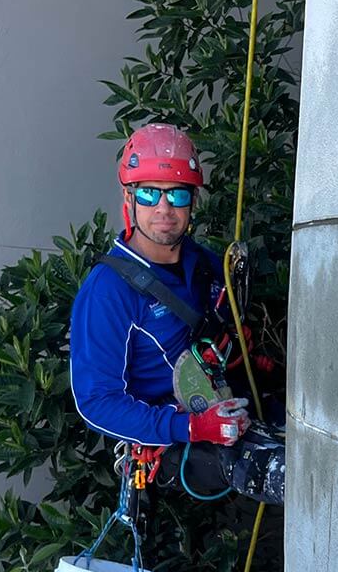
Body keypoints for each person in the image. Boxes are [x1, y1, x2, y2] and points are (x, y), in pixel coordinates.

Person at [69, 122, 282, 505]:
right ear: (129, 198)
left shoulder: (204, 264)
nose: (163, 209)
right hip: (174, 436)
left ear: (193, 201)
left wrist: (241, 348)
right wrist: (190, 427)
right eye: (150, 194)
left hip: (228, 398)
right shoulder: (107, 293)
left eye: (177, 195)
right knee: (283, 474)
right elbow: (96, 402)